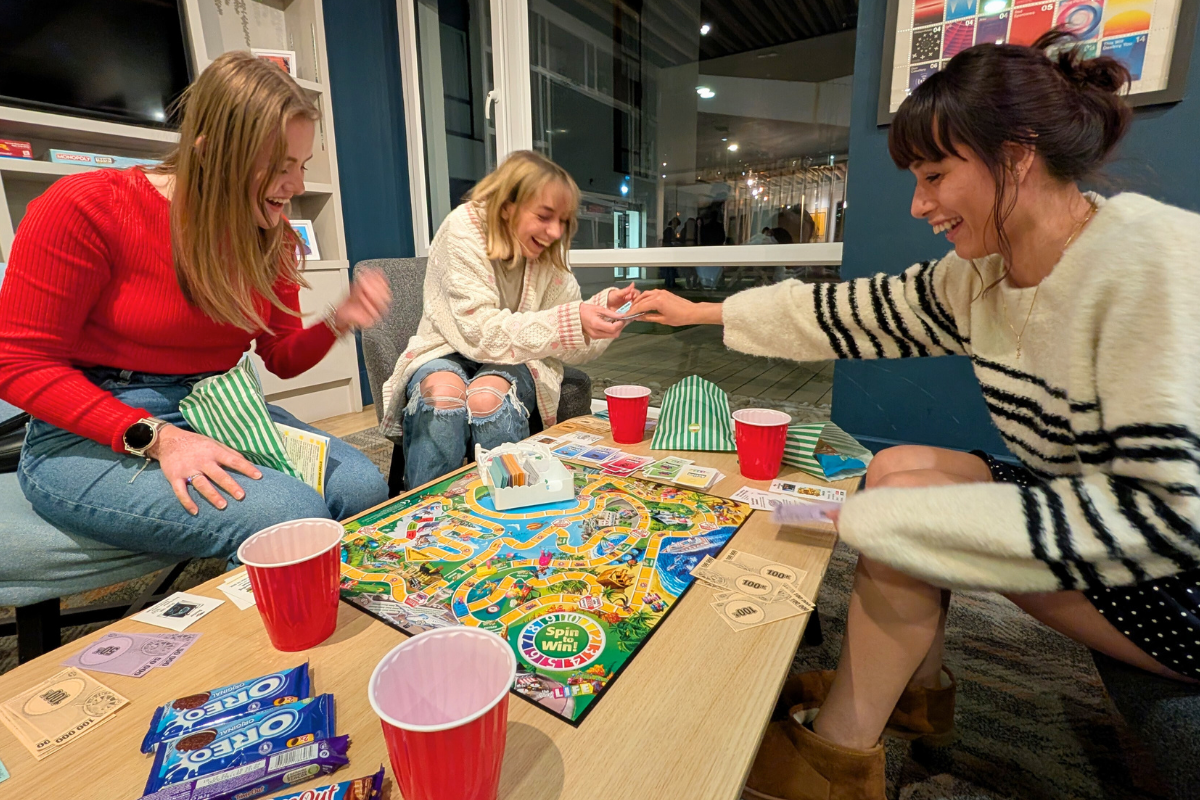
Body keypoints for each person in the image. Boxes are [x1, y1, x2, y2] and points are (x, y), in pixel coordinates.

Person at [628, 32, 1200, 800]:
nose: (918, 203)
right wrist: (699, 310)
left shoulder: (1150, 259)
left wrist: (903, 526)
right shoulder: (985, 275)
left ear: (1017, 153)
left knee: (899, 506)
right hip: (1095, 519)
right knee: (896, 469)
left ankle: (835, 763)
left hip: (1175, 576)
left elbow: (1169, 519)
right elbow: (847, 314)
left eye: (934, 175)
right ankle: (910, 699)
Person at [0, 52, 392, 561]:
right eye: (279, 168)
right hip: (88, 430)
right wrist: (160, 439)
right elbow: (18, 364)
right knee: (288, 513)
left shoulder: (270, 237)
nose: (295, 187)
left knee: (362, 489)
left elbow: (281, 356)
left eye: (301, 167)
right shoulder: (86, 206)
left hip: (215, 407)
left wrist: (338, 321)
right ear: (209, 154)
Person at [379, 150, 637, 490]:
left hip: (518, 359)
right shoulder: (463, 229)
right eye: (545, 216)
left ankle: (510, 510)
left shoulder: (548, 257)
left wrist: (599, 315)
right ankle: (427, 513)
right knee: (441, 397)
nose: (555, 231)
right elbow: (479, 332)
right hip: (446, 348)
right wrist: (571, 320)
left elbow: (569, 344)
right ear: (506, 206)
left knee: (489, 399)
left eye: (563, 220)